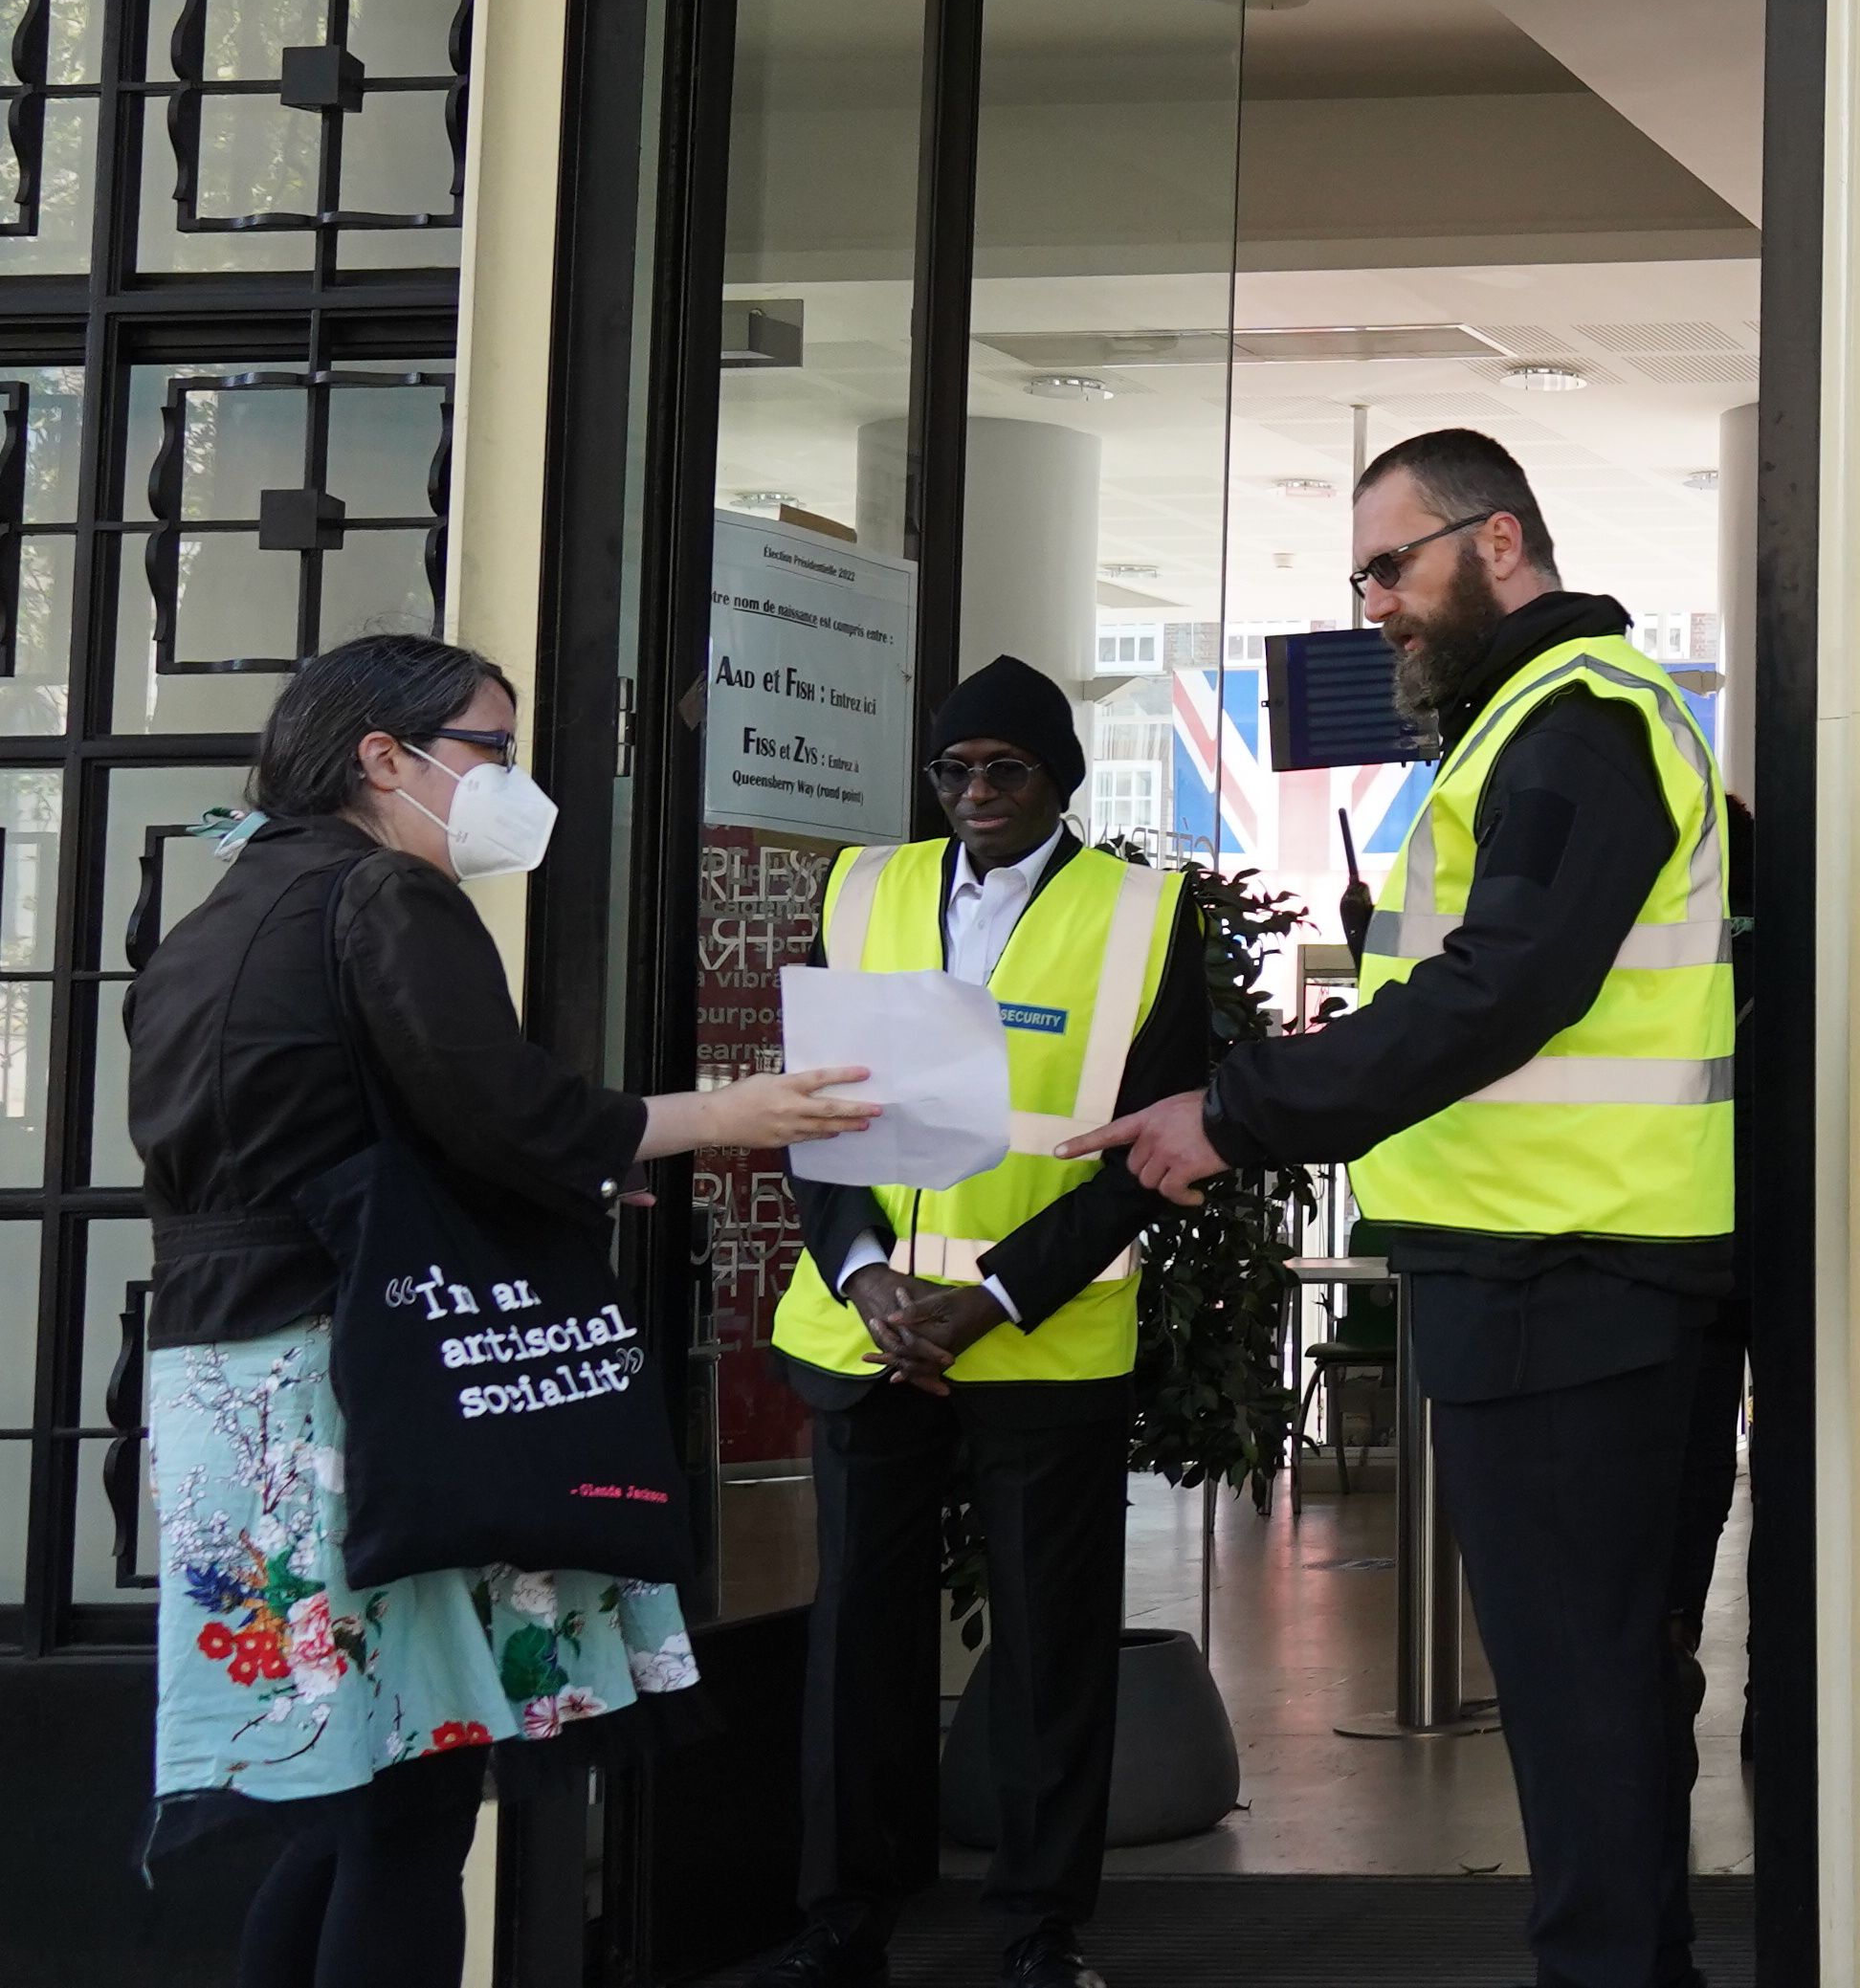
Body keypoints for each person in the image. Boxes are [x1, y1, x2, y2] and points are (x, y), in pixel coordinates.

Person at [1075, 430, 1738, 1988]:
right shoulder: (1531, 726)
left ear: (1497, 540)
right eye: (1359, 573)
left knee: (1580, 1697)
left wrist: (1237, 1110)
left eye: (1392, 564)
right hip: (1566, 1279)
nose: (1371, 601)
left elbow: (1505, 986)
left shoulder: (1575, 725)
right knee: (1602, 1694)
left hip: (1572, 1284)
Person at [126, 635, 877, 1988]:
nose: (513, 782)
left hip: (231, 1390)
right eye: (493, 747)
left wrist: (550, 1172)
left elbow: (339, 1135)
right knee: (420, 1781)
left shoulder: (227, 912)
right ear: (383, 756)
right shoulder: (385, 896)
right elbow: (502, 1105)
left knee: (345, 1776)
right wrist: (724, 1112)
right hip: (360, 1381)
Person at [729, 658, 1218, 1988]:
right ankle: (846, 1917)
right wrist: (868, 1276)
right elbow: (810, 1112)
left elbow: (1153, 1151)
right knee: (859, 1643)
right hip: (871, 1328)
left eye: (1006, 768)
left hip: (1038, 1329)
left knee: (1054, 1643)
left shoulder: (1145, 912)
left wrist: (994, 1292)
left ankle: (1040, 1926)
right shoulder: (863, 887)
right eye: (955, 769)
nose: (977, 793)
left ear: (1058, 774)